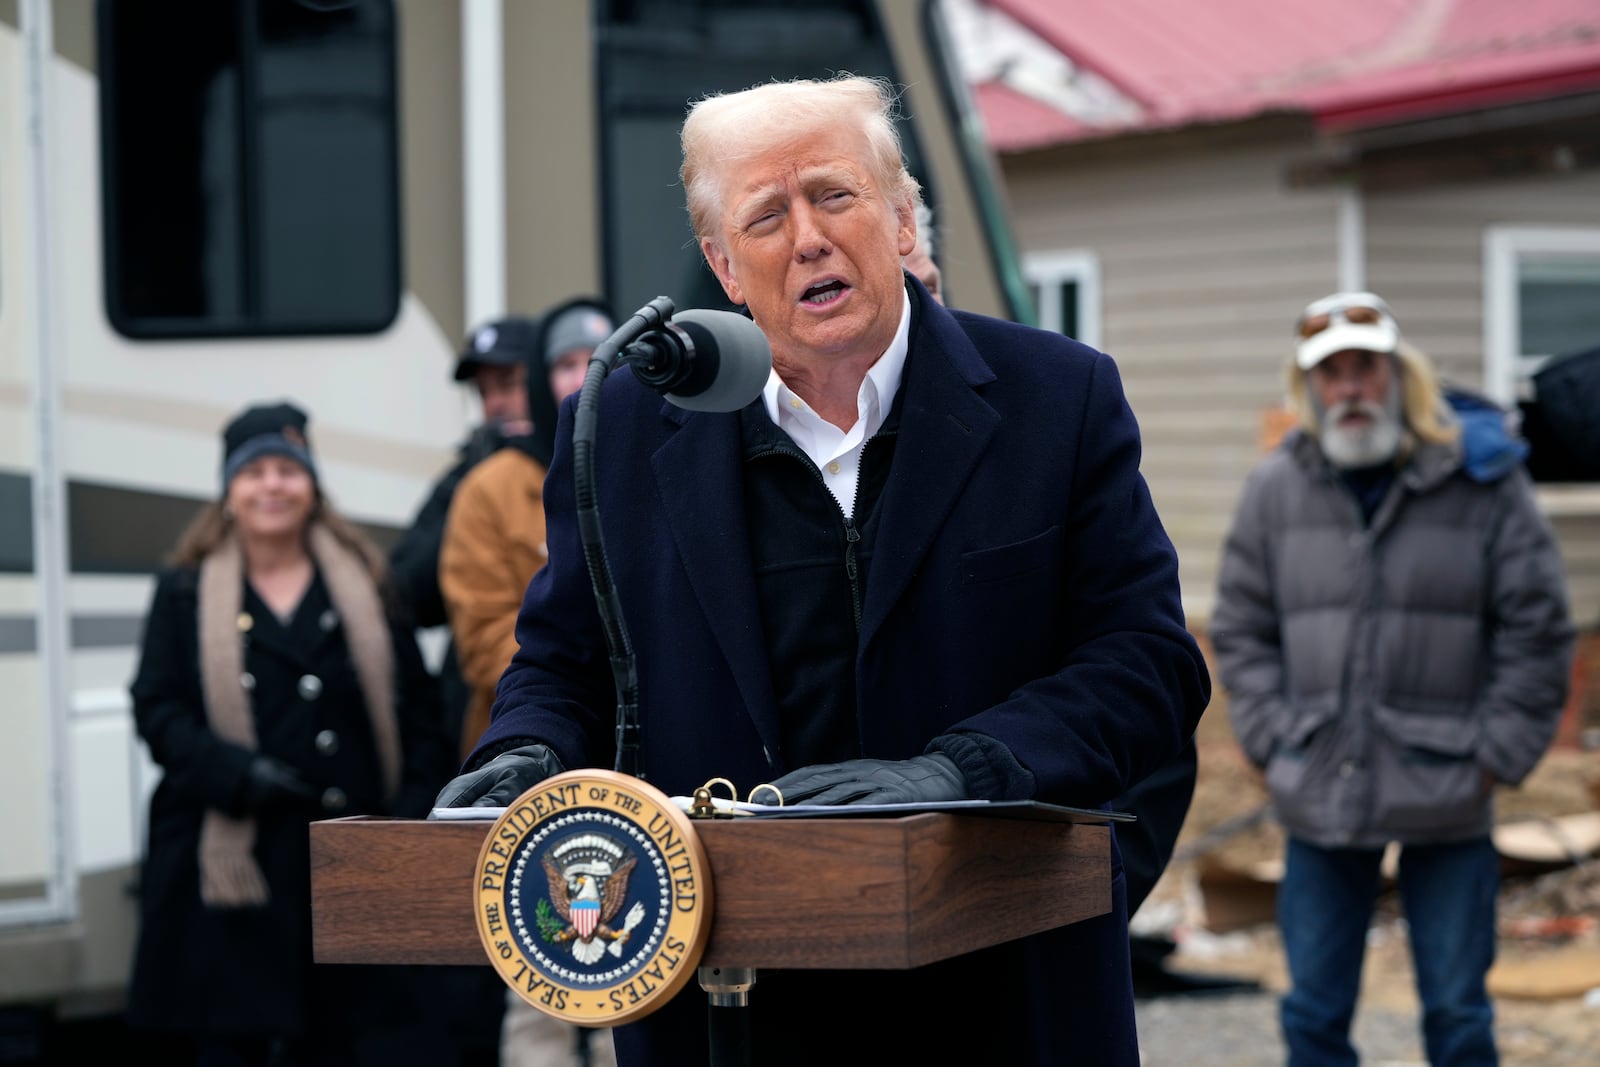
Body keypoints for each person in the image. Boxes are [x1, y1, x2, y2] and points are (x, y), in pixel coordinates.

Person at [433, 74, 1209, 1066]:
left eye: (834, 196)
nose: (807, 237)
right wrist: (527, 747)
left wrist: (954, 773)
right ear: (723, 265)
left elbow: (1146, 662)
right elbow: (568, 657)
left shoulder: (1057, 396)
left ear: (894, 218)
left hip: (1001, 987)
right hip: (726, 1002)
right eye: (765, 215)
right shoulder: (620, 424)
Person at [1210, 291, 1575, 1067]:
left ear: (1398, 377)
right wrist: (1275, 741)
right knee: (1312, 1014)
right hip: (1317, 789)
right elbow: (1241, 626)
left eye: (1365, 369)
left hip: (1448, 789)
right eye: (1331, 372)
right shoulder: (1276, 488)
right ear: (1308, 386)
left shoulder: (1481, 481)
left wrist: (1496, 752)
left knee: (1458, 1016)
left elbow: (1539, 629)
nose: (1349, 388)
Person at [125, 401, 459, 1066]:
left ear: (312, 487)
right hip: (234, 867)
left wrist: (406, 822)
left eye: (288, 469)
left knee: (347, 1040)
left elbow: (419, 711)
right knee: (233, 1042)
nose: (272, 485)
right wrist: (236, 774)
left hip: (352, 859)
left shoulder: (365, 583)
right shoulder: (184, 590)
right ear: (228, 491)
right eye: (254, 472)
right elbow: (156, 707)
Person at [904, 197, 1197, 918]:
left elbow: (1145, 677)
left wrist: (1082, 898)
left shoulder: (1050, 427)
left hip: (1018, 915)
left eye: (923, 290)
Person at [439, 297, 620, 1067]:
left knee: (642, 975)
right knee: (539, 981)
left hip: (653, 773)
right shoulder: (490, 489)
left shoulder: (656, 453)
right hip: (539, 773)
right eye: (564, 365)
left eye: (596, 358)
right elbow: (487, 642)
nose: (582, 378)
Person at [389, 316, 543, 748]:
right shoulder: (469, 479)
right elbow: (407, 592)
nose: (496, 404)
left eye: (509, 384)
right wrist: (473, 484)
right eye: (485, 392)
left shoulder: (597, 459)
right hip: (493, 717)